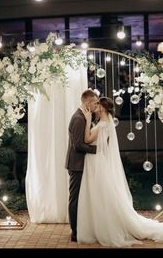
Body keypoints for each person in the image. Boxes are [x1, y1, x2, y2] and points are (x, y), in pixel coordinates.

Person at [77, 97, 163, 247]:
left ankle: (103, 226)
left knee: (99, 194)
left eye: (98, 105)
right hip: (98, 161)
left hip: (97, 163)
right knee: (101, 194)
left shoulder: (102, 125)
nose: (95, 107)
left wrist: (88, 120)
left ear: (102, 108)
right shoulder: (106, 124)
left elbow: (87, 139)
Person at [65, 89, 99, 242]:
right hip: (76, 164)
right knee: (75, 199)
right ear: (87, 103)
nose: (96, 106)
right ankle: (74, 232)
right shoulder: (79, 118)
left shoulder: (84, 116)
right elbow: (77, 145)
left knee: (79, 198)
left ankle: (80, 229)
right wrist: (98, 150)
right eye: (95, 103)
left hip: (80, 163)